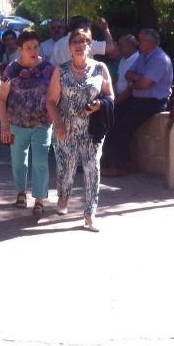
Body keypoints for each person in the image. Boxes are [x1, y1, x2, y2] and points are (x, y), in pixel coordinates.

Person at [46, 27, 114, 232]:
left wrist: (99, 105)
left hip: (92, 129)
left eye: (82, 42)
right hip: (65, 128)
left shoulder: (100, 68)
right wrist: (57, 123)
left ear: (89, 45)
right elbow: (50, 101)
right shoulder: (61, 70)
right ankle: (64, 197)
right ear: (69, 47)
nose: (78, 45)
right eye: (74, 42)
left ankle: (90, 213)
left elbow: (110, 96)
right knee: (66, 169)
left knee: (92, 168)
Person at [0, 31, 54, 219]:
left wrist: (56, 116)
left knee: (40, 162)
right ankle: (21, 192)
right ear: (20, 49)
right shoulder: (11, 70)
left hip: (42, 123)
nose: (33, 51)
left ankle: (39, 200)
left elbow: (56, 95)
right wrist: (4, 124)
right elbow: (1, 99)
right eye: (28, 48)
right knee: (18, 161)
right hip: (17, 124)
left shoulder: (48, 68)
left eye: (36, 47)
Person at [101, 29, 173, 177]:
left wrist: (136, 81)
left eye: (141, 41)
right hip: (137, 99)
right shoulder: (143, 57)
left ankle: (118, 167)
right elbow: (129, 75)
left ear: (151, 43)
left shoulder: (160, 59)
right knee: (109, 118)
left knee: (122, 127)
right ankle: (116, 162)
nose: (138, 44)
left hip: (153, 102)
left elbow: (144, 84)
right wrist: (137, 79)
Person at [51, 16, 117, 67]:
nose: (90, 32)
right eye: (89, 29)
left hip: (62, 82)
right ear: (84, 28)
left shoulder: (57, 45)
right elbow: (110, 48)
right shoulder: (85, 42)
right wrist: (105, 29)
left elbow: (52, 65)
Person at [114, 34, 139, 104]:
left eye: (121, 45)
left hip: (129, 100)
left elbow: (131, 89)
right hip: (118, 98)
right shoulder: (123, 59)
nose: (118, 47)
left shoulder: (137, 60)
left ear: (130, 46)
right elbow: (117, 79)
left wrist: (114, 102)